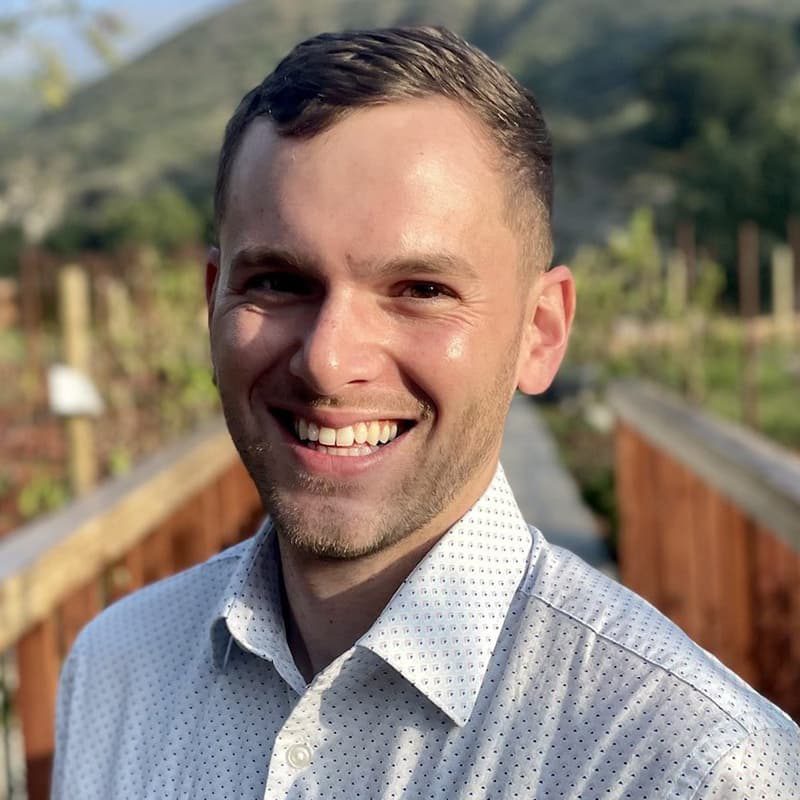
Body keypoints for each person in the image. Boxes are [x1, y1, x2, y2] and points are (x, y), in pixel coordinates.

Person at [52, 26, 799, 799]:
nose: (329, 361)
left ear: (540, 333)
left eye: (421, 290)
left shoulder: (695, 767)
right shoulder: (114, 671)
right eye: (278, 281)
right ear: (212, 302)